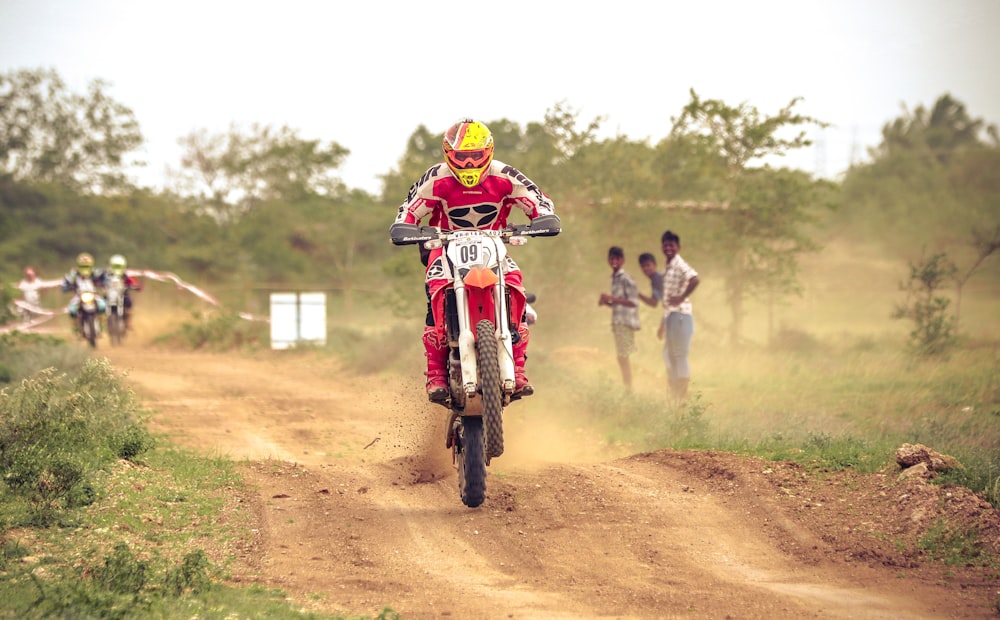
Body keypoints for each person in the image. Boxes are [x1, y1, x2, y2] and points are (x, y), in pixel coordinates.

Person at [390, 118, 559, 403]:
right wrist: (404, 226)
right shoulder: (435, 178)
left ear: (488, 152)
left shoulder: (505, 175)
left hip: (493, 245)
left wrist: (542, 218)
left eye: (475, 156)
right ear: (448, 154)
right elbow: (408, 210)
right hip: (446, 245)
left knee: (515, 285)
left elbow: (538, 200)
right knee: (436, 287)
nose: (469, 164)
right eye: (461, 157)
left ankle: (517, 368)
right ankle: (436, 375)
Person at [658, 230, 700, 401]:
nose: (668, 248)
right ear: (662, 246)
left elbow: (695, 279)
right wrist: (662, 323)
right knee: (669, 355)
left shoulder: (679, 263)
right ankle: (676, 393)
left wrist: (682, 297)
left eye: (672, 245)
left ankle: (681, 395)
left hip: (681, 315)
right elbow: (667, 300)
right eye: (665, 245)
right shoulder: (668, 266)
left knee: (678, 354)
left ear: (678, 247)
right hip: (671, 315)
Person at [599, 246, 641, 389]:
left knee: (623, 356)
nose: (614, 261)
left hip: (626, 323)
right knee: (622, 356)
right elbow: (620, 304)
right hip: (619, 322)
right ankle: (628, 386)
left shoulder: (626, 278)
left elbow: (633, 302)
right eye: (611, 258)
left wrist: (612, 298)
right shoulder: (615, 279)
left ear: (622, 260)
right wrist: (608, 302)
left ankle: (629, 387)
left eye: (617, 258)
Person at [61, 252, 107, 323]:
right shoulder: (74, 274)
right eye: (83, 266)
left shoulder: (95, 272)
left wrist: (102, 283)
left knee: (102, 305)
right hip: (79, 296)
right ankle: (75, 324)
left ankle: (102, 321)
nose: (85, 269)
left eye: (87, 266)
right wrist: (67, 287)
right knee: (72, 309)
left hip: (93, 294)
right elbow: (66, 283)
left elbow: (104, 278)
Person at [106, 254, 143, 330]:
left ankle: (128, 322)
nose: (117, 269)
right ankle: (101, 320)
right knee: (101, 304)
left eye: (119, 267)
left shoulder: (126, 275)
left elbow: (132, 282)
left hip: (123, 294)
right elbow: (99, 281)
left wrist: (136, 286)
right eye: (115, 267)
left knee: (129, 302)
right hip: (110, 295)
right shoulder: (107, 275)